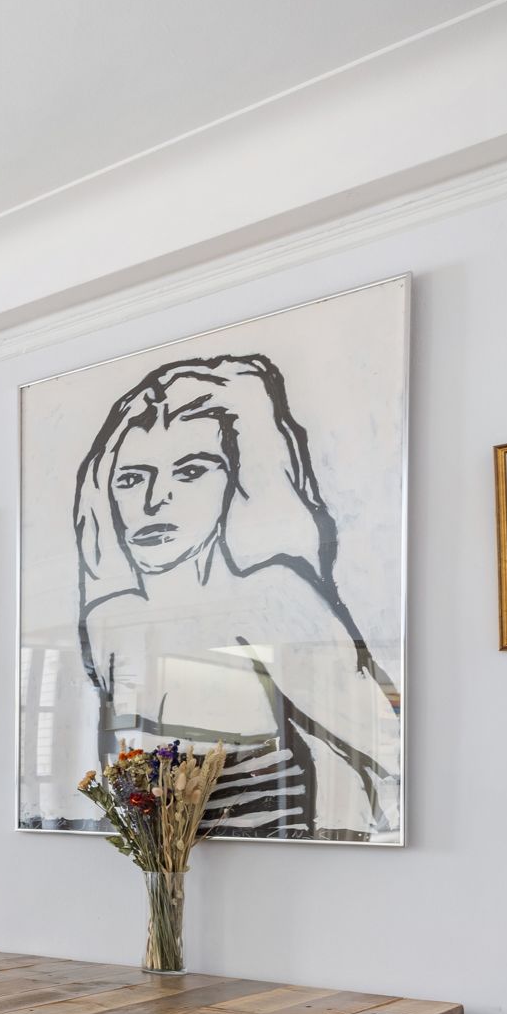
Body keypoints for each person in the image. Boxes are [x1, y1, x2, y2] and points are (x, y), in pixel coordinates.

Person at [73, 354, 401, 839]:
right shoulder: (108, 621)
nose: (152, 500)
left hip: (292, 869)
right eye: (131, 478)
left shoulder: (272, 596)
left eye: (190, 472)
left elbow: (384, 748)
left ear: (237, 480)